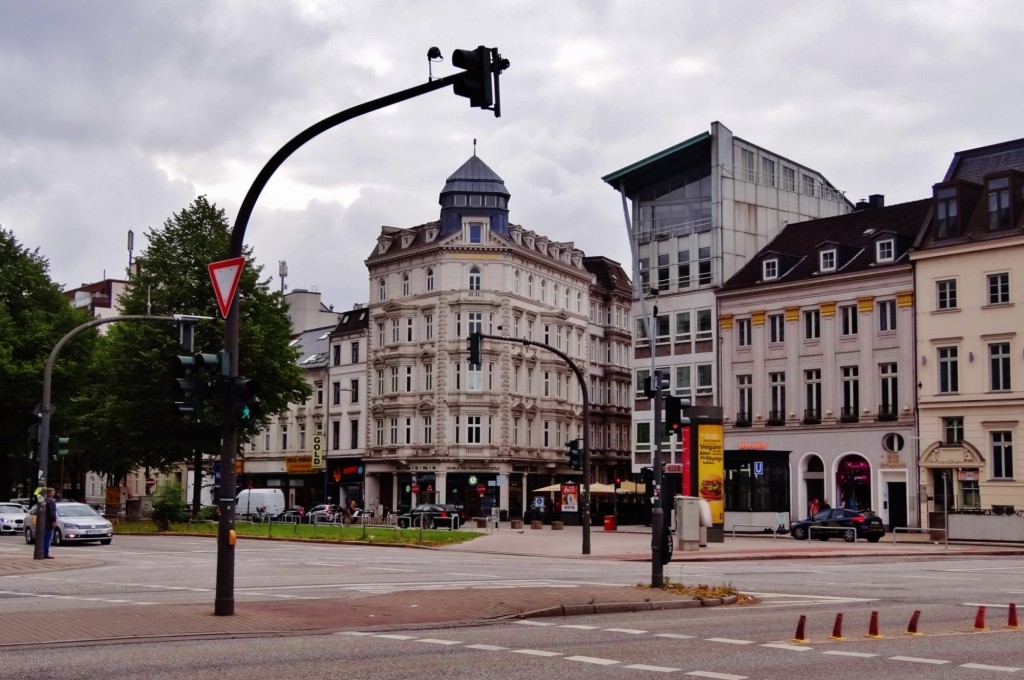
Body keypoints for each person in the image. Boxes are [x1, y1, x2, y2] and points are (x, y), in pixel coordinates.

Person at [43, 488, 58, 559]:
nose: (54, 494)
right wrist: (54, 521)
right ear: (49, 493)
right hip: (49, 522)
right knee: (48, 538)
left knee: (45, 538)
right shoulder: (50, 502)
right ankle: (46, 553)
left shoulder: (44, 501)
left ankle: (44, 552)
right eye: (53, 492)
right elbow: (52, 512)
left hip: (45, 522)